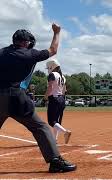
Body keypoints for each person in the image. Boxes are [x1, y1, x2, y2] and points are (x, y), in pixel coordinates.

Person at [0, 23, 76, 172]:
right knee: (40, 128)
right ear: (25, 42)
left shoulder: (2, 52)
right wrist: (57, 33)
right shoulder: (29, 54)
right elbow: (53, 50)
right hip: (16, 97)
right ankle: (55, 161)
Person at [44, 59, 71, 144]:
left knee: (52, 121)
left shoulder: (52, 74)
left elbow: (50, 87)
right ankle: (54, 139)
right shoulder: (62, 76)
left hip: (54, 99)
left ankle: (65, 132)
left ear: (51, 66)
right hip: (61, 99)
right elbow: (64, 90)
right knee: (56, 121)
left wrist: (45, 98)